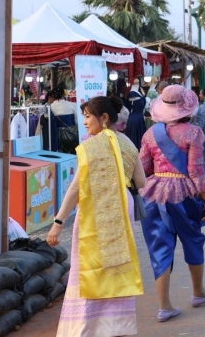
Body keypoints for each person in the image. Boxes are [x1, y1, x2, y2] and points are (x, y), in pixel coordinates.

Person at [48, 95, 145, 336]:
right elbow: (141, 181)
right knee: (117, 264)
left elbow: (76, 188)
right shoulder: (128, 143)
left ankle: (86, 327)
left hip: (95, 209)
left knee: (88, 264)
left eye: (88, 116)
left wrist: (58, 222)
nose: (84, 122)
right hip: (123, 205)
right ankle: (117, 327)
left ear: (104, 118)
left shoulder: (93, 146)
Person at [139, 85, 205, 322]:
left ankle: (164, 306)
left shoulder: (150, 133)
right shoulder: (193, 133)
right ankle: (199, 291)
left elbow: (143, 167)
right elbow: (196, 171)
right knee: (193, 239)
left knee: (159, 246)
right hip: (184, 194)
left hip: (155, 193)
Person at [125, 80, 147, 150]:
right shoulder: (132, 93)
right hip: (135, 119)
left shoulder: (138, 92)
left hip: (139, 118)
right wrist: (143, 96)